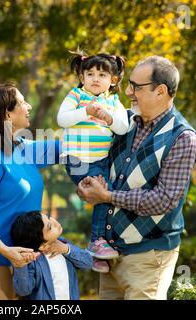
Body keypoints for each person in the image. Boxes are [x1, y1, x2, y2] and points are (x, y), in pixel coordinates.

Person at [77, 56, 196, 300]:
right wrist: (88, 182)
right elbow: (94, 154)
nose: (129, 92)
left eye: (136, 86)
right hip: (109, 255)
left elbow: (165, 199)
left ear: (161, 91)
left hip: (149, 256)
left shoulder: (183, 137)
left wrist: (107, 196)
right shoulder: (124, 122)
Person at [0, 83, 61, 300]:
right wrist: (7, 252)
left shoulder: (22, 148)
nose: (28, 106)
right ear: (7, 113)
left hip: (28, 262)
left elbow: (69, 147)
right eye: (21, 103)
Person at [57, 50, 129, 272]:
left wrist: (108, 118)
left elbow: (123, 127)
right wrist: (85, 111)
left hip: (101, 160)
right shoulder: (76, 96)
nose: (96, 79)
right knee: (101, 196)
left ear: (113, 80)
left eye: (102, 75)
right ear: (82, 78)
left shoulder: (114, 102)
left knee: (107, 194)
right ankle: (97, 242)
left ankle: (99, 253)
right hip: (78, 159)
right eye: (90, 74)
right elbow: (61, 119)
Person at [11, 211, 92, 300]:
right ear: (43, 246)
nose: (54, 222)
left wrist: (66, 249)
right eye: (50, 227)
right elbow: (23, 290)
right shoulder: (33, 260)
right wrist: (21, 265)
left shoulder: (64, 243)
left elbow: (88, 262)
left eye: (49, 217)